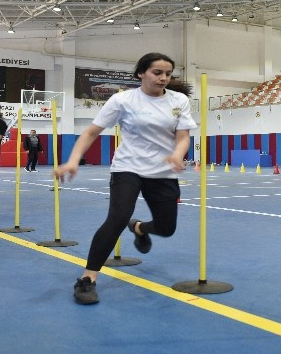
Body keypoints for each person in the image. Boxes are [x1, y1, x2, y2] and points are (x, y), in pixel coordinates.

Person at [54, 53, 197, 305]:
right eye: (157, 72)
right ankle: (88, 278)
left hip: (163, 171)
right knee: (117, 218)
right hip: (128, 167)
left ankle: (140, 228)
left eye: (167, 74)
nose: (163, 78)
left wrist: (177, 154)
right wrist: (74, 159)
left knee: (167, 228)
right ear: (141, 73)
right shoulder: (122, 100)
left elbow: (183, 136)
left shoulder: (179, 100)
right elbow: (91, 132)